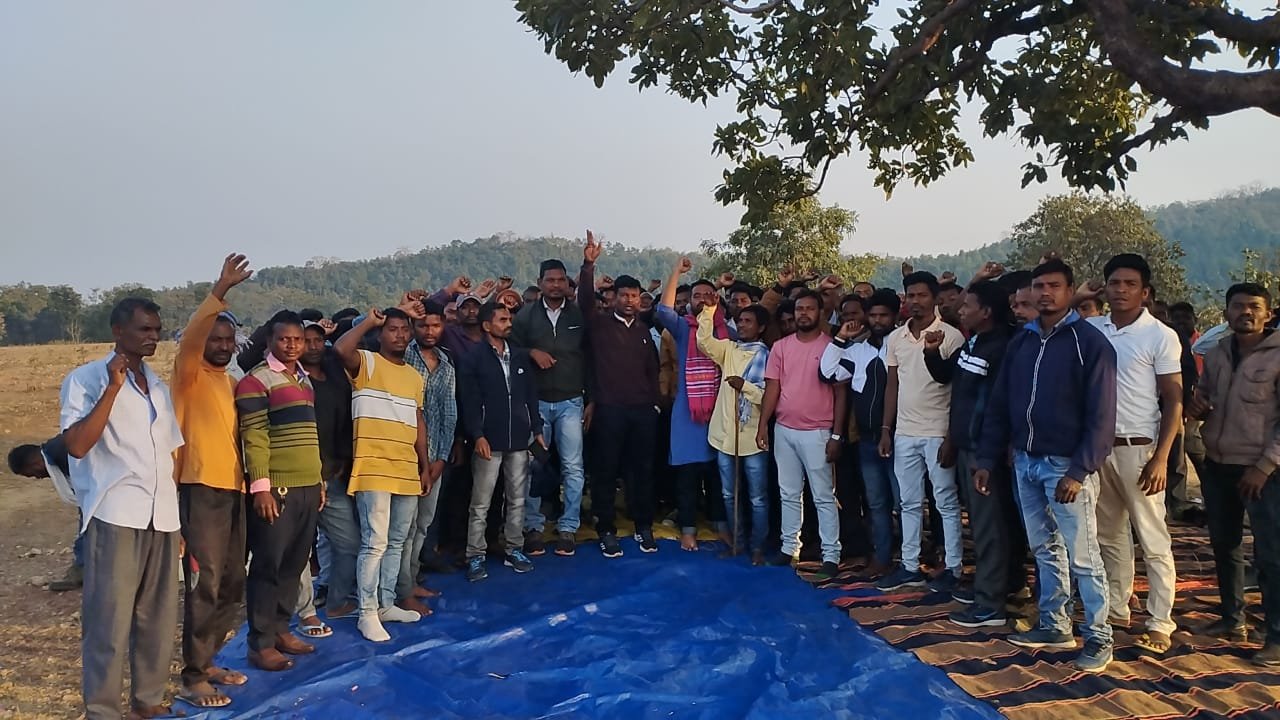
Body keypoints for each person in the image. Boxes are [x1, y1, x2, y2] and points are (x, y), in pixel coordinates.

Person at [975, 259, 1118, 673]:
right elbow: (1000, 404)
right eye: (1038, 286)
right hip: (1025, 461)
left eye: (1054, 286)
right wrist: (986, 458)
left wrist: (1079, 471)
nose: (1045, 293)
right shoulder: (1022, 342)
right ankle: (1055, 625)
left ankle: (1099, 637)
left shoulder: (1090, 343)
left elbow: (1102, 417)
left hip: (1066, 466)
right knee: (1044, 548)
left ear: (1070, 291)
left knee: (1084, 555)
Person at [60, 297, 184, 720]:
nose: (153, 337)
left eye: (157, 330)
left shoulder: (159, 387)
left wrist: (177, 519)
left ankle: (147, 701)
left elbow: (169, 453)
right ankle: (103, 710)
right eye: (144, 329)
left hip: (162, 515)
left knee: (158, 618)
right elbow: (77, 445)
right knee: (108, 623)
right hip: (116, 513)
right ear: (118, 331)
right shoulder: (86, 380)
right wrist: (112, 389)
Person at [1088, 254, 1182, 655]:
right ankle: (1117, 607)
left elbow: (1174, 399)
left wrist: (1161, 457)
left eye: (1130, 284)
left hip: (1140, 450)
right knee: (1108, 534)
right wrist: (1082, 295)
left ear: (1145, 292)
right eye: (1114, 283)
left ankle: (1160, 622)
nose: (1121, 290)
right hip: (1099, 449)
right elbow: (1051, 319)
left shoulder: (1160, 335)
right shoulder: (1093, 329)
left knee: (1152, 536)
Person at [172, 254, 254, 709]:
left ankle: (209, 661)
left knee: (232, 583)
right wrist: (220, 290)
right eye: (215, 339)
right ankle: (193, 676)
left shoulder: (229, 381)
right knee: (203, 586)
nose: (222, 346)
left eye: (228, 340)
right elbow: (192, 339)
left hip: (235, 491)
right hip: (201, 490)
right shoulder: (189, 376)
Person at [1187, 283, 1280, 667]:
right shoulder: (1218, 353)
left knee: (1271, 554)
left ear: (1268, 314)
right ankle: (1232, 619)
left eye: (1254, 307)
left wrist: (1264, 466)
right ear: (1226, 313)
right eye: (1238, 306)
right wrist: (1197, 406)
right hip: (1218, 464)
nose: (1246, 312)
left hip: (1262, 471)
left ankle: (1276, 636)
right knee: (1224, 546)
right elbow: (1204, 398)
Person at [924, 281, 1026, 626]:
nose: (961, 310)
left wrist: (987, 454)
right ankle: (999, 585)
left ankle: (990, 602)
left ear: (986, 312)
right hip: (967, 445)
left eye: (968, 305)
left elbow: (997, 407)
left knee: (989, 527)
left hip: (985, 451)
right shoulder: (973, 342)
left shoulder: (1000, 348)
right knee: (987, 524)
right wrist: (931, 352)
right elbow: (950, 378)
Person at [333, 307, 432, 642]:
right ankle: (367, 612)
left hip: (405, 468)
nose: (400, 335)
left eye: (405, 329)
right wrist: (369, 322)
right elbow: (340, 350)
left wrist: (423, 465)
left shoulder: (415, 377)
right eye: (392, 329)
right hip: (373, 468)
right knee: (374, 543)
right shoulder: (367, 363)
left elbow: (418, 421)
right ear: (381, 334)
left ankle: (386, 603)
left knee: (397, 542)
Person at [236, 311, 325, 671]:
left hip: (308, 486)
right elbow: (254, 436)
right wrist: (261, 487)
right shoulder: (256, 381)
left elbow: (310, 437)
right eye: (284, 339)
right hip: (278, 488)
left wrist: (318, 481)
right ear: (270, 341)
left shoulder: (303, 380)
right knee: (267, 566)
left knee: (294, 564)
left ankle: (281, 629)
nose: (292, 345)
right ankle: (260, 643)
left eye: (297, 339)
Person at [876, 271, 966, 593]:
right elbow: (892, 386)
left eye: (922, 295)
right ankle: (910, 566)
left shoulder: (951, 336)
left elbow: (958, 390)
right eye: (911, 296)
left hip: (938, 431)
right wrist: (886, 429)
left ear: (935, 298)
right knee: (908, 503)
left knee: (946, 501)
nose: (915, 302)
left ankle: (954, 568)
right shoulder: (896, 338)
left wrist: (951, 436)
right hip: (904, 432)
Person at [579, 231, 661, 557]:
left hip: (642, 412)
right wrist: (588, 265)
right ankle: (606, 530)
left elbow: (653, 370)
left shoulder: (644, 330)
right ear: (613, 298)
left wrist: (654, 405)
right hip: (609, 410)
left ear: (641, 299)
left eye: (634, 296)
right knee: (605, 471)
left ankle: (644, 526)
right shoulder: (598, 324)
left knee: (642, 471)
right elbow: (585, 301)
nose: (629, 300)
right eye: (624, 295)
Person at [757, 289, 846, 580]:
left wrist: (837, 435)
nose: (803, 314)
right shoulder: (780, 347)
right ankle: (789, 549)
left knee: (823, 495)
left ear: (821, 313)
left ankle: (831, 555)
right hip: (784, 429)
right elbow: (772, 387)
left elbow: (841, 393)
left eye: (809, 308)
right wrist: (763, 425)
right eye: (799, 309)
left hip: (818, 431)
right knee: (788, 492)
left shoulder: (832, 346)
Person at [458, 303, 545, 581]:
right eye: (503, 319)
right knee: (481, 502)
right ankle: (475, 555)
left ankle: (514, 549)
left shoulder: (518, 356)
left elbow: (531, 395)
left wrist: (537, 428)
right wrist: (477, 435)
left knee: (517, 499)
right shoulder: (473, 358)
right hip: (488, 440)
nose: (509, 323)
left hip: (519, 438)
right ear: (487, 326)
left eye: (509, 319)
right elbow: (469, 401)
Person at [820, 290, 902, 577]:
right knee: (877, 503)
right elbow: (827, 373)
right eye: (874, 315)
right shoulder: (857, 351)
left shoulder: (903, 344)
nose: (878, 320)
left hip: (901, 437)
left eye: (884, 315)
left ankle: (910, 559)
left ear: (895, 316)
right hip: (867, 440)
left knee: (905, 503)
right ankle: (882, 557)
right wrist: (841, 338)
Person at [512, 259, 589, 558]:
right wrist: (531, 352)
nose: (556, 285)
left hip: (571, 400)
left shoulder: (579, 314)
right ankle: (533, 527)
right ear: (540, 282)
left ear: (567, 283)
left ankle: (568, 527)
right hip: (537, 402)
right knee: (533, 465)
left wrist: (591, 399)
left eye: (561, 280)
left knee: (573, 467)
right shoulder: (526, 315)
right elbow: (509, 350)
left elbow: (590, 356)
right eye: (550, 280)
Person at [656, 259, 732, 551]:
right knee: (687, 475)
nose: (701, 300)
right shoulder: (683, 328)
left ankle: (720, 526)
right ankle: (688, 529)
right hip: (687, 414)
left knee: (717, 476)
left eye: (707, 295)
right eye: (696, 296)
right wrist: (676, 272)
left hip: (719, 413)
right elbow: (663, 311)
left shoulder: (726, 332)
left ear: (716, 300)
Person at [696, 299, 772, 564]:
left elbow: (768, 398)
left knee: (757, 498)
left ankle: (758, 547)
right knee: (729, 495)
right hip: (725, 434)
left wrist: (745, 387)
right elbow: (704, 342)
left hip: (752, 437)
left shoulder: (767, 356)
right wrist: (708, 311)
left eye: (748, 321)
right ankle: (737, 544)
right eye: (739, 321)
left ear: (761, 328)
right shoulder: (729, 348)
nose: (742, 325)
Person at [398, 301, 456, 611]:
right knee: (403, 528)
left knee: (422, 524)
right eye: (423, 325)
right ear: (413, 328)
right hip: (405, 457)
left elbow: (449, 414)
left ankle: (411, 580)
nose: (429, 331)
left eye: (435, 325)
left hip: (435, 459)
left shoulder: (446, 363)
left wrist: (441, 459)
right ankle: (400, 589)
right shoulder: (402, 357)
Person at [300, 321, 357, 621]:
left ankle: (333, 598)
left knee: (342, 542)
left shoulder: (333, 373)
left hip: (334, 475)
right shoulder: (292, 379)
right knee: (302, 551)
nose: (312, 346)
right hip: (303, 478)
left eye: (318, 340)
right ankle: (314, 609)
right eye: (305, 340)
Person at [7, 435, 81, 591]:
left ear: (35, 463)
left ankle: (82, 573)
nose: (37, 478)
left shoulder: (61, 451)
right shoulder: (55, 452)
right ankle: (81, 571)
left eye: (31, 474)